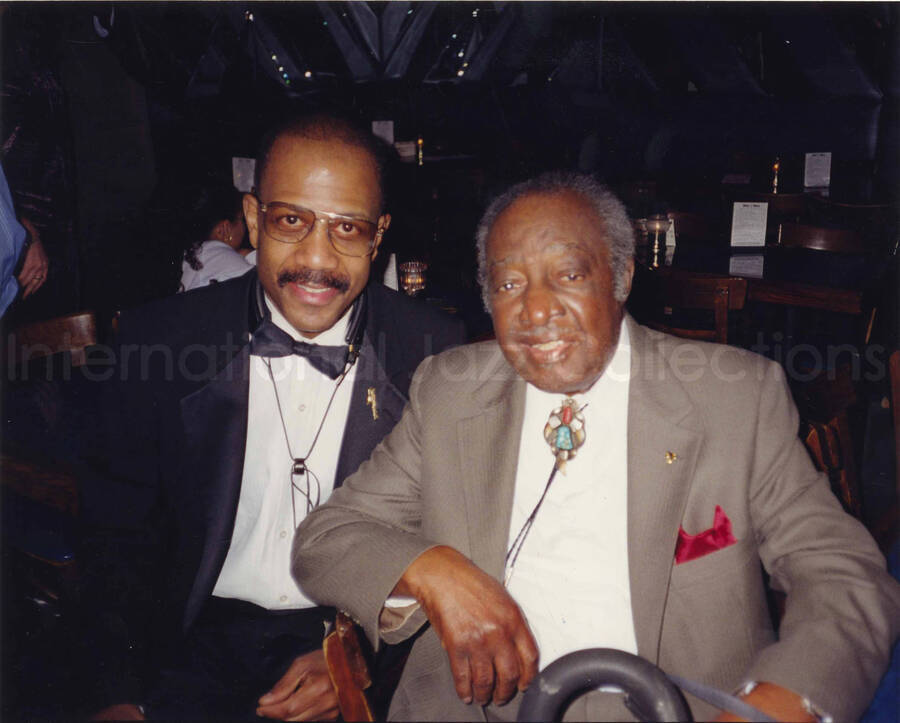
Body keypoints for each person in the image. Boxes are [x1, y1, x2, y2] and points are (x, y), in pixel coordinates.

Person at [293, 171, 900, 722]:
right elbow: (325, 538)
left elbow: (844, 576)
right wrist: (433, 571)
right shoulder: (450, 392)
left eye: (569, 274)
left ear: (623, 276)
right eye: (509, 283)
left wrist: (780, 701)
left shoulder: (735, 398)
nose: (535, 310)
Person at [79, 112, 464, 721]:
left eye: (347, 227)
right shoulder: (164, 340)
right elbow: (114, 537)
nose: (317, 258)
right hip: (189, 640)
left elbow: (448, 542)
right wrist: (116, 695)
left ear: (378, 235)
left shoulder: (434, 352)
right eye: (291, 221)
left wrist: (363, 654)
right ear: (254, 219)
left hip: (350, 634)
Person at [179, 181, 254, 292]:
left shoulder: (194, 254)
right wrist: (252, 256)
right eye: (241, 219)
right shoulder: (222, 257)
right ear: (224, 229)